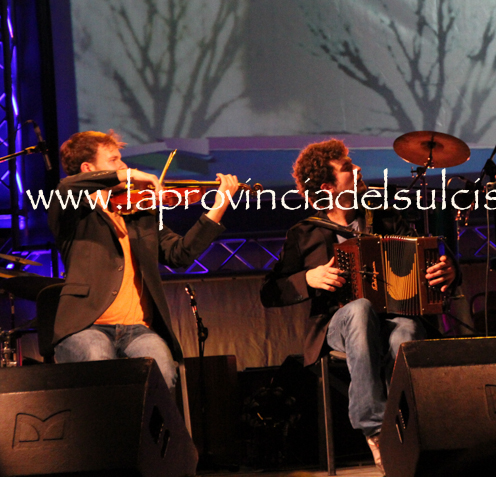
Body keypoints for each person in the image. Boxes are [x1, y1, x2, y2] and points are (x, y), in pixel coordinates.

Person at [261, 139, 458, 474]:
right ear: (328, 187)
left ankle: (415, 428)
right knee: (360, 308)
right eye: (347, 167)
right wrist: (308, 277)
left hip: (391, 319)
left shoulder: (386, 218)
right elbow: (270, 292)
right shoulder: (305, 233)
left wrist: (448, 271)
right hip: (338, 324)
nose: (358, 169)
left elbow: (429, 257)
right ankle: (376, 429)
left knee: (408, 330)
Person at [48, 130, 239, 391]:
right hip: (86, 326)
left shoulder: (138, 212)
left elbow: (180, 254)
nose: (123, 165)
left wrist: (219, 206)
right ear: (88, 169)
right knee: (98, 362)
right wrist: (127, 176)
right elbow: (66, 186)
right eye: (113, 160)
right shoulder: (72, 210)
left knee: (163, 372)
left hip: (138, 330)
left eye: (121, 159)